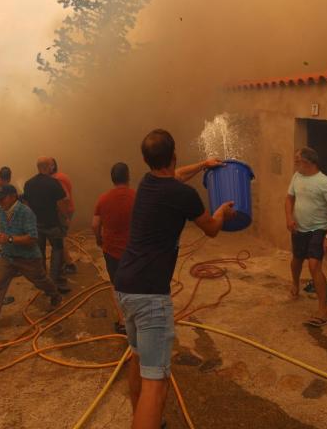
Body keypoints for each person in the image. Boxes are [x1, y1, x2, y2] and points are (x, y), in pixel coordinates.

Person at [114, 129, 235, 429]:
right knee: (156, 383)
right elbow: (211, 228)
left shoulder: (146, 183)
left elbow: (176, 174)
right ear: (174, 154)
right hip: (150, 296)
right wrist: (221, 212)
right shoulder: (184, 196)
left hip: (124, 286)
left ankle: (138, 417)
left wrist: (204, 165)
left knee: (138, 356)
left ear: (146, 160)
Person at [0, 184, 62, 336]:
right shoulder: (1, 211)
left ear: (13, 196)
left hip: (27, 258)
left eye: (2, 198)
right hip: (8, 257)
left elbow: (33, 238)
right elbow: (4, 231)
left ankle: (54, 294)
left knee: (40, 280)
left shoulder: (26, 213)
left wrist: (8, 238)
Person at [285, 147, 327, 327]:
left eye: (297, 160)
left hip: (319, 229)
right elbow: (288, 199)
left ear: (308, 163)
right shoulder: (297, 177)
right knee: (296, 260)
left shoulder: (325, 183)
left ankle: (322, 310)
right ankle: (295, 285)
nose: (295, 163)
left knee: (313, 265)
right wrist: (289, 218)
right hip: (299, 228)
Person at [92, 162, 135, 334]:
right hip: (134, 251)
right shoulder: (137, 196)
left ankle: (123, 322)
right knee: (135, 284)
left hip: (112, 251)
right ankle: (139, 319)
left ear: (112, 178)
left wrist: (98, 239)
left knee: (117, 285)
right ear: (128, 177)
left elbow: (95, 224)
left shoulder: (103, 199)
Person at [23, 157, 71, 293]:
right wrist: (66, 218)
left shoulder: (28, 184)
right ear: (48, 167)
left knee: (40, 253)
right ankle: (55, 282)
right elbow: (61, 204)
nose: (52, 167)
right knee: (57, 251)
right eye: (51, 166)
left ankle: (44, 283)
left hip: (37, 225)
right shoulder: (53, 183)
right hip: (53, 225)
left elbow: (26, 205)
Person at [51, 159, 77, 275]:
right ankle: (65, 262)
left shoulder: (57, 179)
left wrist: (63, 214)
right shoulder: (62, 175)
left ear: (52, 167)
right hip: (66, 210)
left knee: (60, 239)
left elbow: (64, 197)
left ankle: (70, 264)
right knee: (60, 238)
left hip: (63, 211)